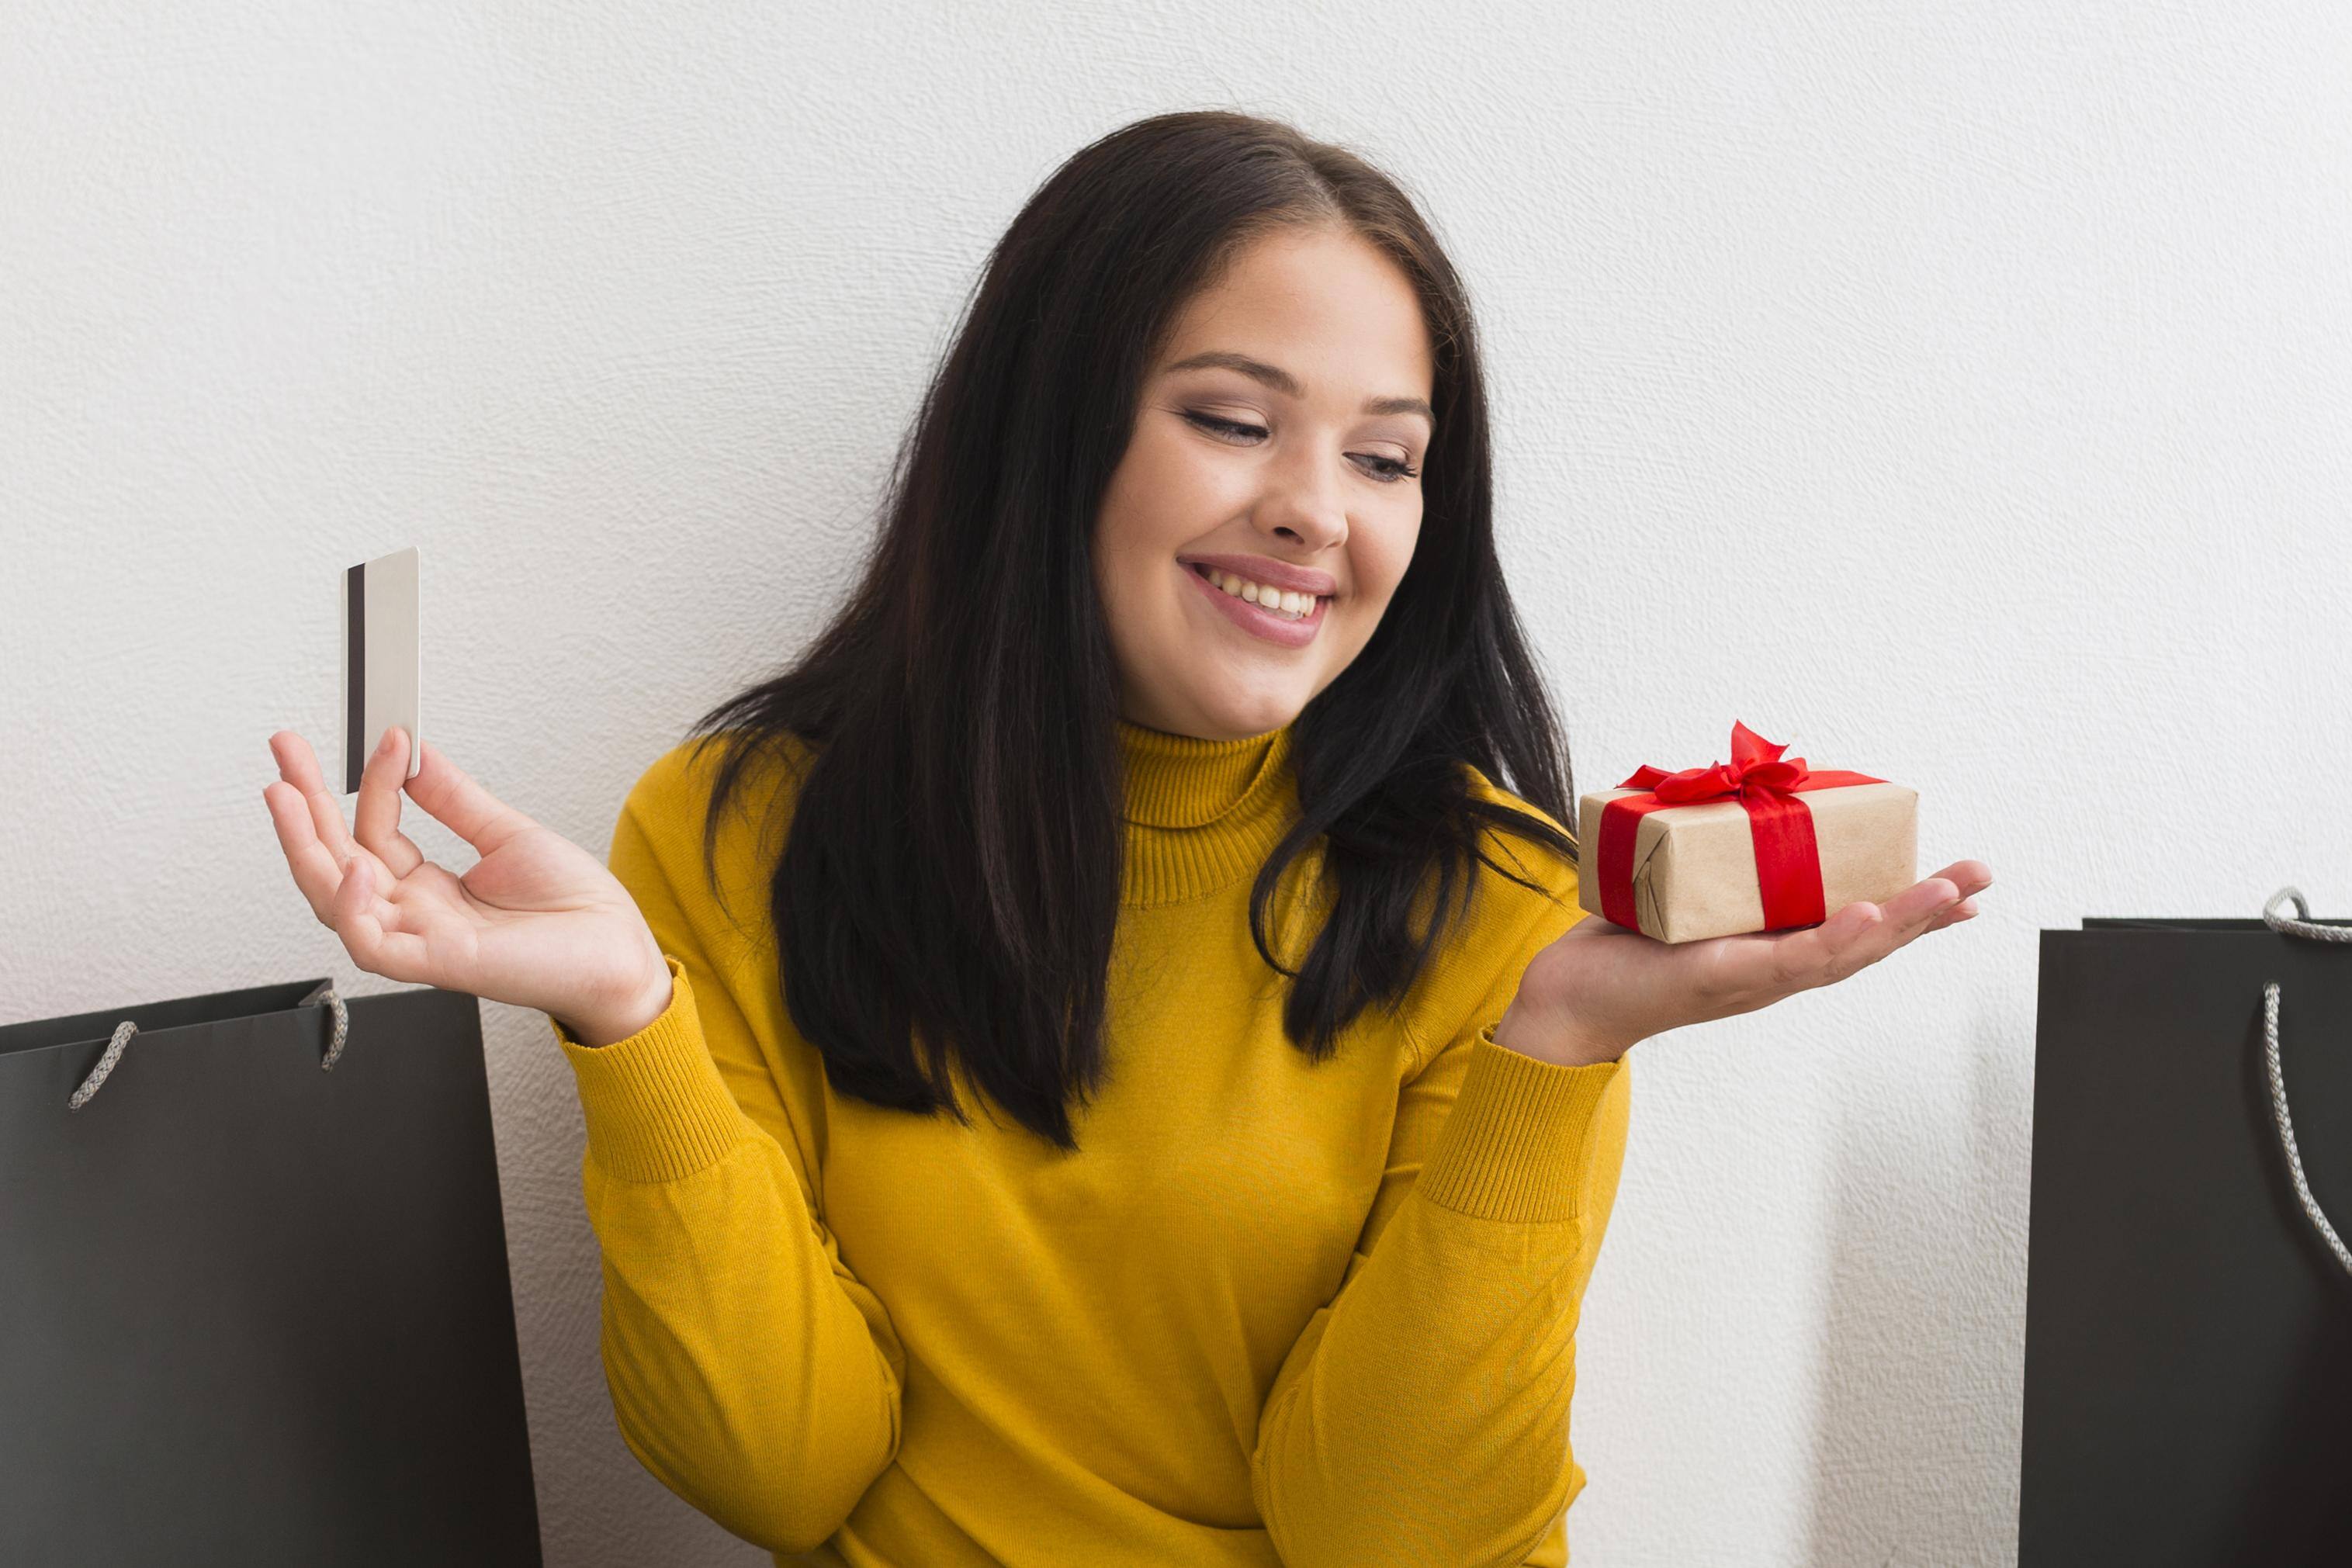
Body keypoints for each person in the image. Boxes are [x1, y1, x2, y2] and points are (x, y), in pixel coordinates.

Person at [263, 109, 1990, 1568]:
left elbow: (1380, 1538)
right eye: (1234, 421)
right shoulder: (734, 836)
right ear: (1050, 434)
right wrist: (629, 1027)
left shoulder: (1507, 907)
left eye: (1386, 459)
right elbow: (774, 1468)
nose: (1315, 508)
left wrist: (1558, 1049)